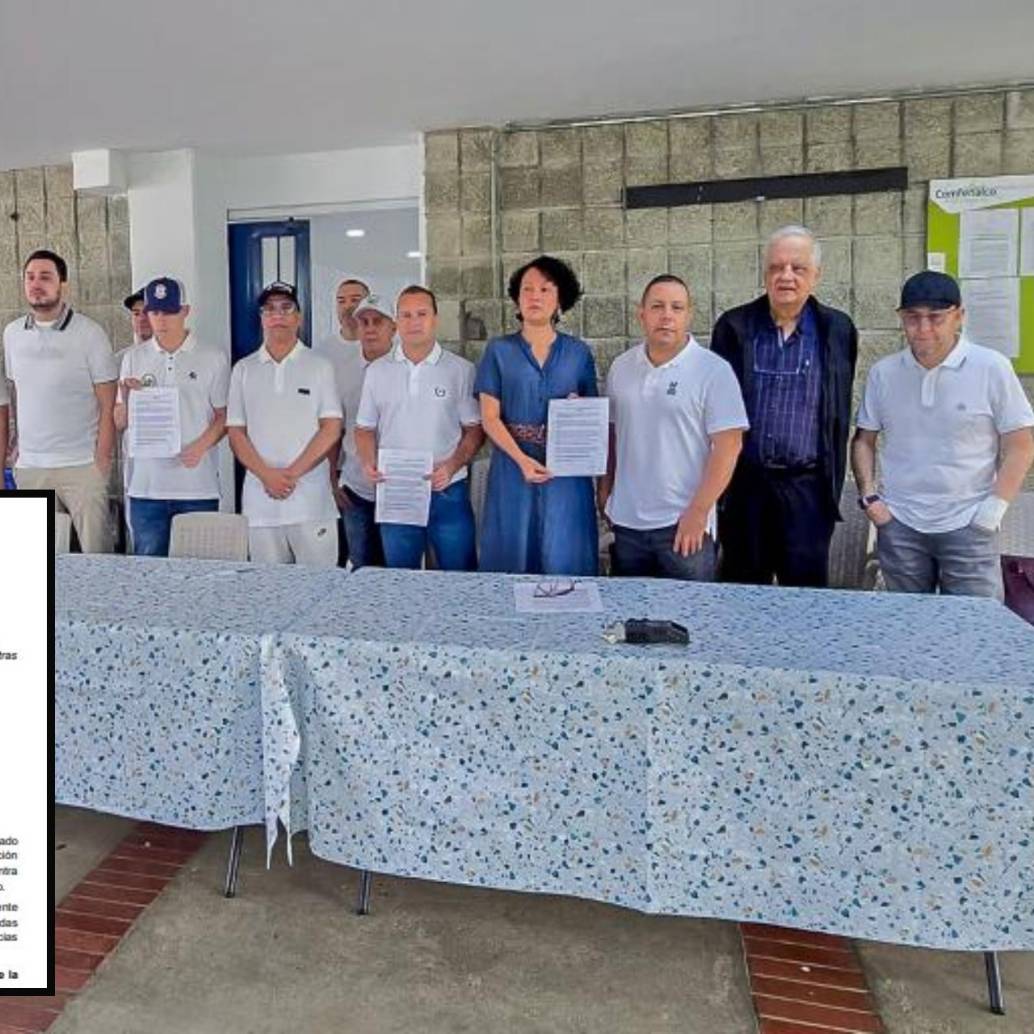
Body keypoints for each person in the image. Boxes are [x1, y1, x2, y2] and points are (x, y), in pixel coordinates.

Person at [852, 270, 1034, 599]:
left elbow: (1021, 445)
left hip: (969, 523)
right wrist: (870, 499)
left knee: (975, 629)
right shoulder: (884, 373)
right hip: (900, 523)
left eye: (935, 318)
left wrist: (992, 511)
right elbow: (864, 439)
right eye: (912, 318)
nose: (923, 329)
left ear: (959, 316)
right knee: (905, 627)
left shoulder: (991, 368)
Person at [712, 225, 858, 588]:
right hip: (746, 486)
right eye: (776, 267)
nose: (786, 276)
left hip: (807, 489)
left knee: (807, 600)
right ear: (765, 274)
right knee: (742, 595)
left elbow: (838, 406)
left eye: (798, 268)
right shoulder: (734, 326)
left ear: (816, 275)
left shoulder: (837, 329)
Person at [599, 275, 747, 580]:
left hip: (684, 525)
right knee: (632, 621)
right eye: (657, 306)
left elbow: (729, 446)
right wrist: (605, 492)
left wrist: (698, 511)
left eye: (676, 307)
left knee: (687, 622)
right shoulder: (621, 367)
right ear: (642, 314)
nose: (667, 315)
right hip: (628, 524)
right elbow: (612, 435)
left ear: (688, 314)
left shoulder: (713, 371)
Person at [475, 255, 600, 575]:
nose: (535, 296)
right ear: (516, 298)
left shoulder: (578, 352)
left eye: (545, 289)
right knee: (512, 550)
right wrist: (521, 460)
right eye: (527, 289)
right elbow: (489, 416)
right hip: (512, 467)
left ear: (560, 299)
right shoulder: (498, 350)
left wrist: (577, 408)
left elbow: (593, 414)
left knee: (566, 551)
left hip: (566, 472)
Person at [355, 285, 482, 571]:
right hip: (397, 488)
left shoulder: (460, 370)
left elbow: (474, 430)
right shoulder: (377, 371)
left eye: (422, 314)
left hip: (448, 489)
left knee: (458, 578)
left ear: (435, 318)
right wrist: (367, 461)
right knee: (401, 580)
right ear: (397, 322)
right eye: (406, 315)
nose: (414, 322)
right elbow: (363, 428)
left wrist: (451, 465)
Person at [3, 249, 117, 552]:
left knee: (98, 555)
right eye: (30, 277)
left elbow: (108, 402)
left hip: (81, 466)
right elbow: (17, 392)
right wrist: (17, 444)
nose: (36, 284)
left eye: (45, 277)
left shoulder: (89, 333)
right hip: (31, 468)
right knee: (36, 559)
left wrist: (102, 459)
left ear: (62, 284)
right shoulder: (12, 334)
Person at [226, 282, 342, 567]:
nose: (277, 315)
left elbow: (331, 428)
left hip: (311, 501)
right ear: (262, 318)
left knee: (319, 588)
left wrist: (290, 475)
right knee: (269, 593)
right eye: (269, 309)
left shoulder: (320, 365)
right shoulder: (244, 369)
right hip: (260, 503)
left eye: (285, 308)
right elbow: (235, 432)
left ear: (298, 317)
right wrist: (267, 476)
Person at [114, 278, 229, 556]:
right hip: (146, 488)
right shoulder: (133, 358)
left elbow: (224, 416)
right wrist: (128, 398)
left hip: (196, 487)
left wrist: (200, 447)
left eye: (169, 312)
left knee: (200, 574)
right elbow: (119, 421)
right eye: (154, 312)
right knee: (149, 575)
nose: (161, 320)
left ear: (185, 311)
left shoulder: (212, 356)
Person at [328, 293, 395, 569]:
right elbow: (334, 429)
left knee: (397, 567)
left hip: (398, 486)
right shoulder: (341, 372)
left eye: (378, 322)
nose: (370, 328)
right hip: (356, 487)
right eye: (364, 322)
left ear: (393, 327)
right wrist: (332, 480)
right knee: (361, 565)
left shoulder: (407, 368)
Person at [316, 277, 369, 355]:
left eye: (355, 300)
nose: (347, 306)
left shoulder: (384, 349)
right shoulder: (322, 352)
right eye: (341, 301)